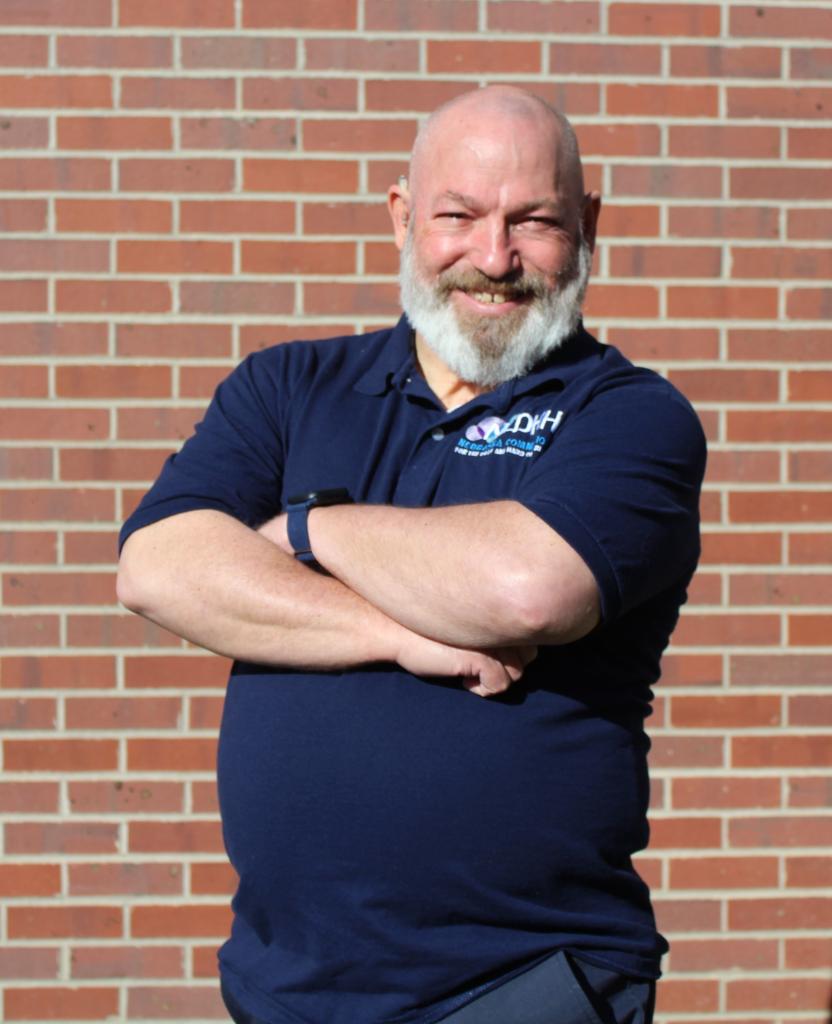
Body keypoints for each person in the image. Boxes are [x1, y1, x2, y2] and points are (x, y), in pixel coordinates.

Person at [117, 86, 706, 1024]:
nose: (495, 258)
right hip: (286, 985)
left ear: (587, 225)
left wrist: (310, 528)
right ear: (402, 216)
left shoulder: (630, 414)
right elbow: (157, 567)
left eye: (535, 221)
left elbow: (526, 587)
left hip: (520, 984)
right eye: (460, 216)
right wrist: (397, 632)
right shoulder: (289, 387)